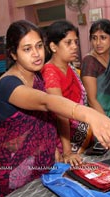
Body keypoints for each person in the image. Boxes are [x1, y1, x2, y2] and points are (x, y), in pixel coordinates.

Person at [0, 20, 110, 197]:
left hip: (42, 161)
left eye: (39, 46)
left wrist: (56, 149)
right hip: (13, 166)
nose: (36, 54)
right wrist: (91, 115)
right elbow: (47, 102)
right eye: (27, 49)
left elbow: (46, 119)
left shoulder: (37, 76)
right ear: (13, 54)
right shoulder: (8, 84)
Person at [41, 20, 88, 166]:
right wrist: (67, 152)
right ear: (53, 47)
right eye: (68, 43)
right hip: (61, 140)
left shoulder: (70, 68)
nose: (75, 47)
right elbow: (61, 113)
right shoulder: (50, 72)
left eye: (76, 42)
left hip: (77, 133)